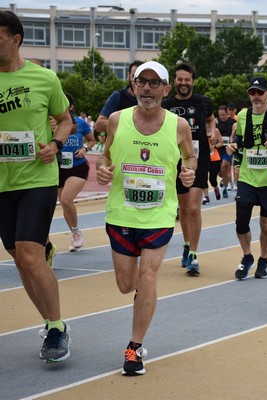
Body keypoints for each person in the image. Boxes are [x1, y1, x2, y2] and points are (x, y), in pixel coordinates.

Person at [96, 60, 197, 376]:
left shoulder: (178, 126)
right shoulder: (116, 120)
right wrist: (102, 168)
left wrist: (188, 170)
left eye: (155, 83)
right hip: (122, 213)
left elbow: (190, 155)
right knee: (127, 285)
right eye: (143, 82)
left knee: (148, 276)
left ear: (166, 90)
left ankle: (134, 347)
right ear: (134, 85)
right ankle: (142, 295)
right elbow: (106, 154)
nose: (148, 89)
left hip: (159, 215)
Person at [0, 10, 73, 363]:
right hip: (2, 183)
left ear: (15, 39)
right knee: (20, 260)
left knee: (29, 254)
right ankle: (48, 320)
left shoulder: (44, 79)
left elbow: (65, 121)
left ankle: (57, 328)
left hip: (37, 179)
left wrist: (55, 145)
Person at [225, 76, 267, 280]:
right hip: (247, 176)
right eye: (252, 92)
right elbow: (241, 142)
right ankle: (247, 257)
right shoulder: (243, 116)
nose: (255, 96)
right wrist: (233, 147)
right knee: (241, 222)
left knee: (266, 223)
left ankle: (263, 259)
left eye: (259, 92)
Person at [162, 62, 216, 275]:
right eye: (180, 79)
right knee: (183, 208)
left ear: (193, 81)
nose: (183, 83)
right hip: (175, 160)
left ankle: (193, 254)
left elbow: (210, 120)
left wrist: (212, 132)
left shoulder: (203, 102)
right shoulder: (166, 105)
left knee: (194, 208)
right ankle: (186, 245)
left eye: (187, 79)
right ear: (174, 81)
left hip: (198, 159)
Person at [59, 94, 96, 251]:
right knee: (63, 202)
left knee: (67, 199)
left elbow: (92, 140)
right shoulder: (53, 124)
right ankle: (75, 231)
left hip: (78, 166)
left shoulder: (80, 123)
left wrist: (84, 149)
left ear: (71, 106)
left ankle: (76, 233)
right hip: (59, 166)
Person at [94, 60, 143, 137]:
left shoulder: (150, 99)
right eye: (134, 77)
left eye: (141, 78)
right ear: (128, 76)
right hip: (119, 146)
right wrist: (128, 125)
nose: (137, 81)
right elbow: (99, 125)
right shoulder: (118, 96)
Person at [215, 105, 236, 199]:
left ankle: (225, 189)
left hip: (228, 149)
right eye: (220, 115)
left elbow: (236, 134)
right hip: (218, 148)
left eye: (223, 114)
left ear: (227, 113)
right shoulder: (216, 123)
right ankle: (225, 178)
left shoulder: (232, 122)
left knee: (224, 166)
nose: (222, 117)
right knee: (219, 171)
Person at [202, 128, 224, 204]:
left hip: (214, 158)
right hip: (203, 158)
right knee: (203, 178)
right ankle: (206, 197)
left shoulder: (215, 130)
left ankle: (215, 188)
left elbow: (221, 142)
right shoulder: (199, 129)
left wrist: (214, 146)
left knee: (212, 179)